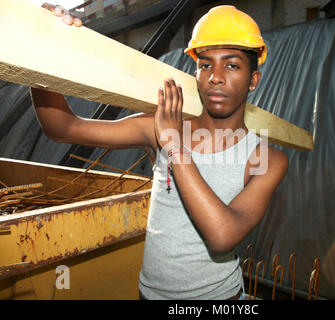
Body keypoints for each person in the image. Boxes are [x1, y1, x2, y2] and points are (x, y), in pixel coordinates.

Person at [32, 5, 288, 300]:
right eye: (206, 65)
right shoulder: (161, 126)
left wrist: (174, 144)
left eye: (231, 65)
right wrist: (42, 47)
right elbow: (63, 127)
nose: (216, 76)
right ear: (196, 73)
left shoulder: (266, 159)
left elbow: (222, 236)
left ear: (253, 80)